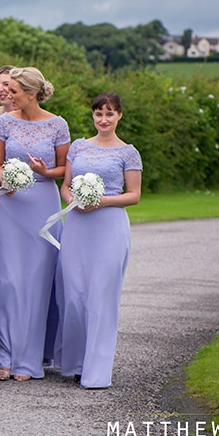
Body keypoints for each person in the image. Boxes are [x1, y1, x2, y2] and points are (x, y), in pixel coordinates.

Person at [0, 67, 69, 382]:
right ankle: (2, 356)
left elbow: (64, 169)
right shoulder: (5, 122)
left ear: (30, 94)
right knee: (6, 281)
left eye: (15, 90)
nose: (8, 93)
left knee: (35, 282)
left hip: (42, 207)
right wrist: (8, 177)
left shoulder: (58, 124)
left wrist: (44, 172)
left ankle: (28, 359)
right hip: (10, 203)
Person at [55, 93, 142, 389]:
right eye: (98, 114)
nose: (103, 119)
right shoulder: (78, 147)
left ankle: (96, 370)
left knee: (101, 298)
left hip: (109, 226)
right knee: (74, 295)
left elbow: (134, 195)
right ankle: (77, 364)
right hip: (77, 226)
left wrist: (100, 200)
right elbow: (65, 186)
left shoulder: (128, 152)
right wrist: (75, 200)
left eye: (109, 114)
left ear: (119, 115)